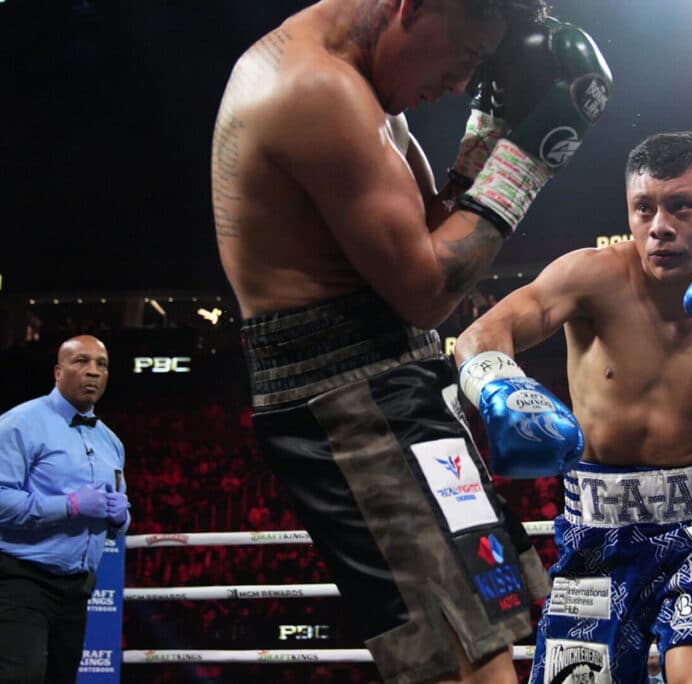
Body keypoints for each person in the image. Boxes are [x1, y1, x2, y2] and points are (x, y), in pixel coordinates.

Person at [210, 1, 612, 682]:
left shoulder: (366, 88)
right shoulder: (316, 89)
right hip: (348, 403)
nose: (459, 85)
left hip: (395, 386)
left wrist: (488, 133)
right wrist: (526, 159)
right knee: (458, 661)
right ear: (413, 6)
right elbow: (427, 287)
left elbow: (432, 225)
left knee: (487, 638)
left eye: (477, 70)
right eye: (465, 57)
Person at [455, 131, 692, 682]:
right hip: (595, 532)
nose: (660, 226)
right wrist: (498, 384)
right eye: (644, 208)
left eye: (683, 206)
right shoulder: (591, 278)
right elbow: (482, 334)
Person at [0, 335, 130, 684]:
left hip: (77, 588)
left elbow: (118, 511)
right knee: (20, 677)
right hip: (21, 578)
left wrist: (121, 518)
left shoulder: (110, 442)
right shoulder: (18, 424)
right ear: (58, 371)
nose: (93, 372)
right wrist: (69, 506)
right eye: (81, 362)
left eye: (101, 365)